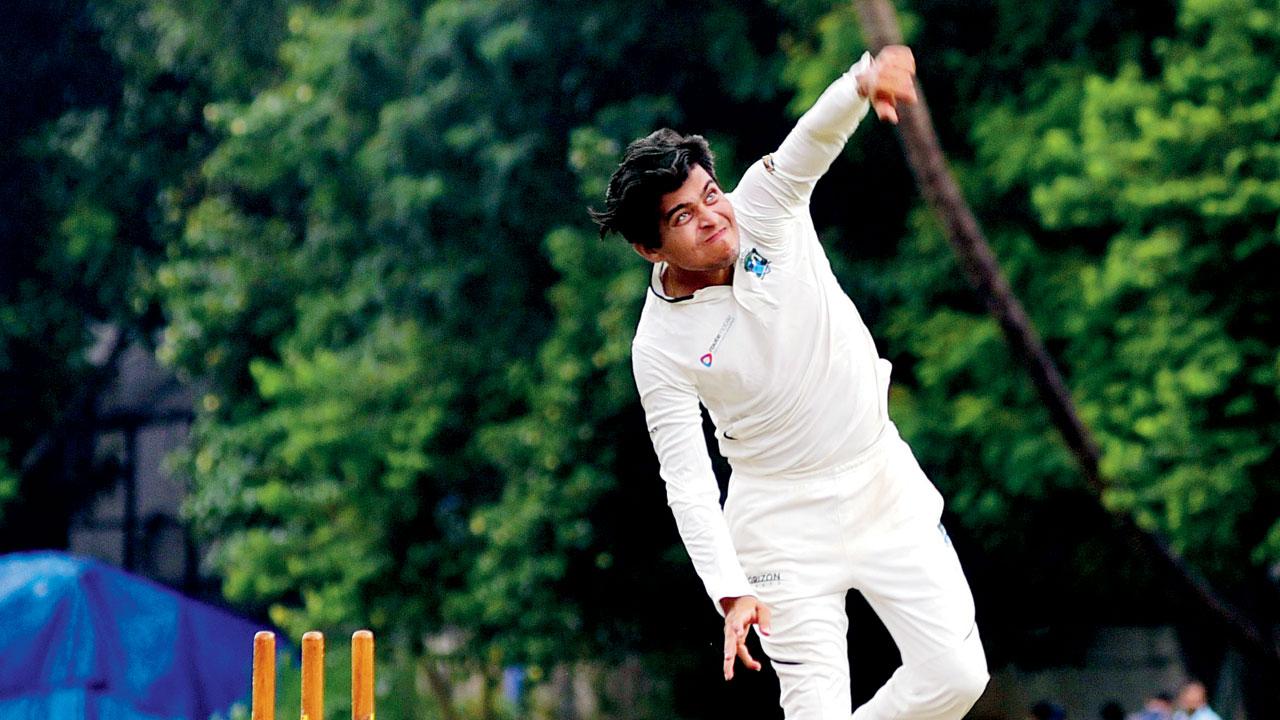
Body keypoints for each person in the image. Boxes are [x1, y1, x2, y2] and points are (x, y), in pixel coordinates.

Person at [590, 43, 988, 719]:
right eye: (681, 216)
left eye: (707, 195)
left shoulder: (765, 207)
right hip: (779, 526)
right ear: (648, 249)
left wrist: (862, 81)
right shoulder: (657, 346)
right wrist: (728, 587)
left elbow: (812, 139)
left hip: (881, 483)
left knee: (957, 677)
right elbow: (687, 477)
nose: (712, 216)